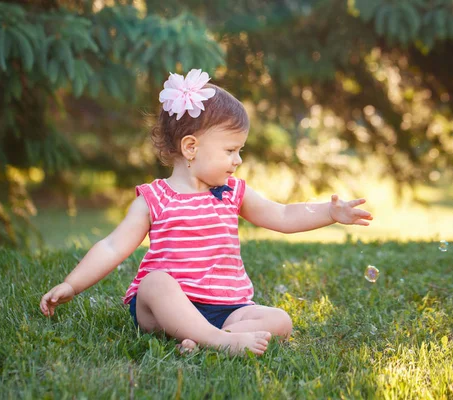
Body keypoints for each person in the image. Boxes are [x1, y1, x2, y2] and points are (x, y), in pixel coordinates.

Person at [40, 69, 373, 356]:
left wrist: (329, 213)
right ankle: (215, 340)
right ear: (190, 148)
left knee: (281, 321)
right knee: (155, 283)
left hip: (225, 307)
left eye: (239, 151)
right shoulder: (155, 198)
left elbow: (283, 216)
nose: (238, 160)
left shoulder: (233, 193)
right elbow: (113, 246)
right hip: (165, 307)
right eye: (230, 150)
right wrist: (73, 284)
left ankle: (206, 338)